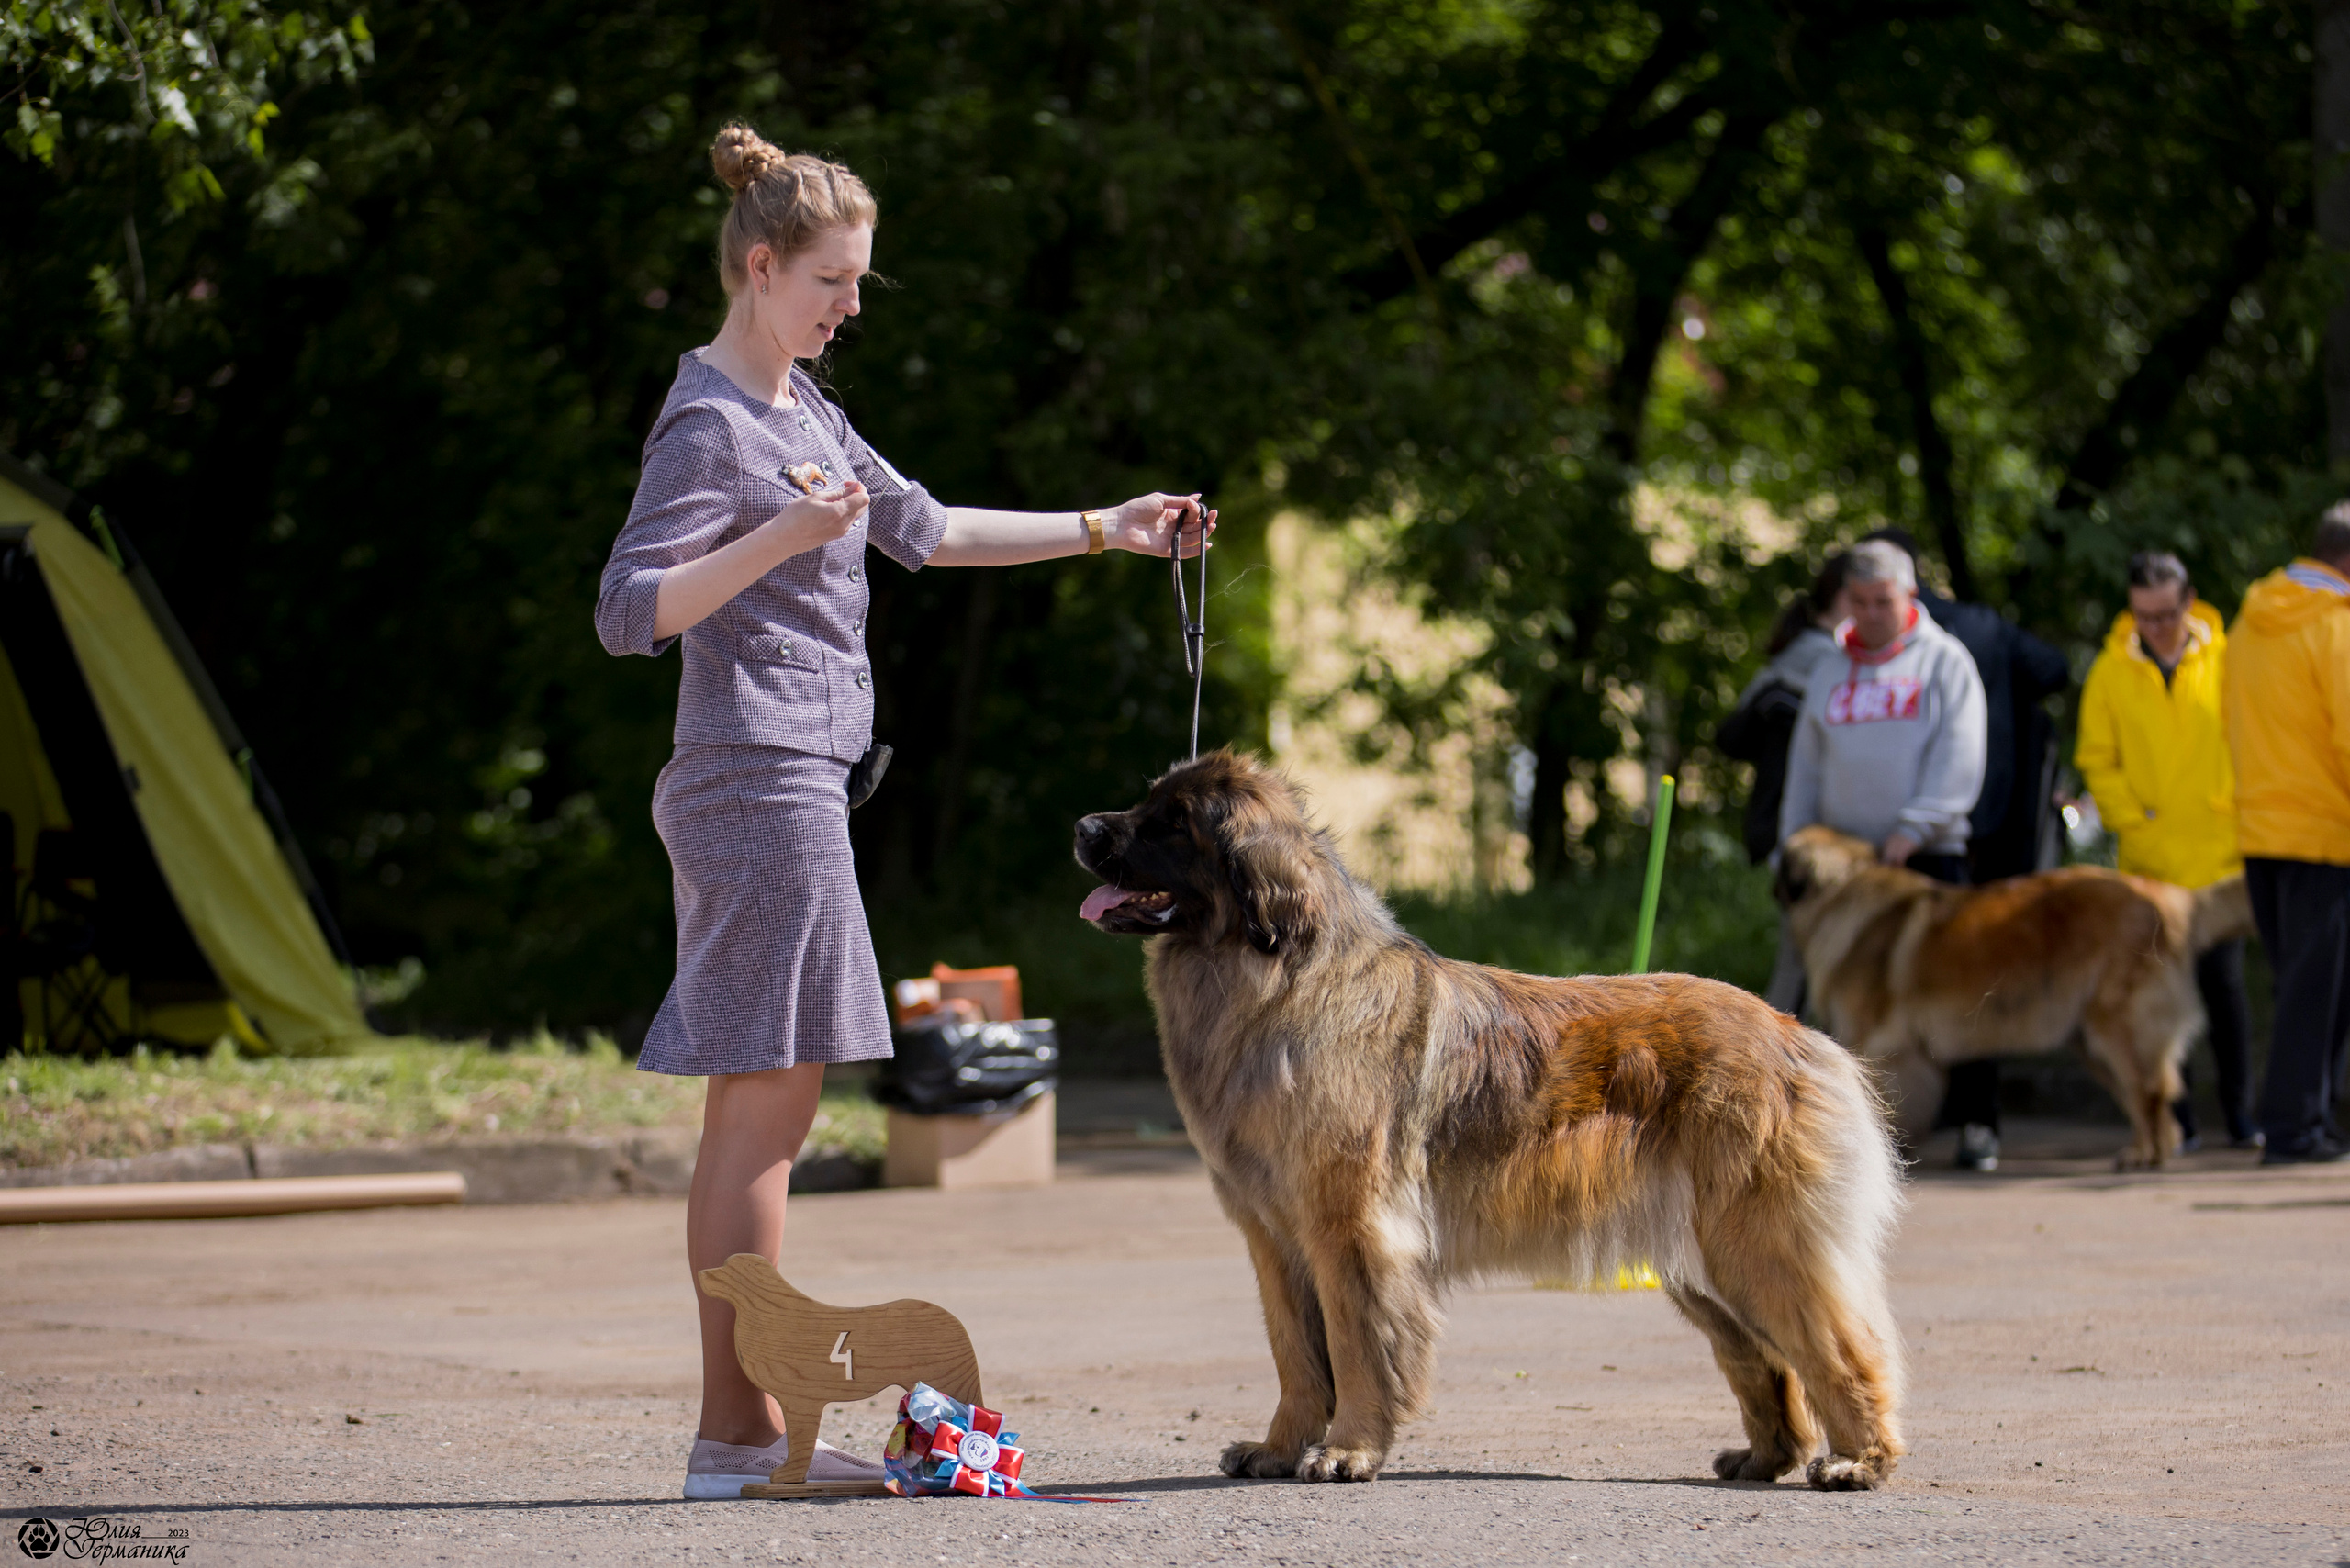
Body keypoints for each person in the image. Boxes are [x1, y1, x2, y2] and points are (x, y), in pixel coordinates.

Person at [594, 125, 1219, 1496]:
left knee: (761, 1116)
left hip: (789, 780)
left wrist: (1109, 528)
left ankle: (733, 1434)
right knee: (766, 1115)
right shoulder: (711, 421)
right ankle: (741, 1439)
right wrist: (777, 538)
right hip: (751, 780)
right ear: (760, 268)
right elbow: (627, 613)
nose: (852, 306)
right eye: (834, 280)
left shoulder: (806, 412)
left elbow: (925, 529)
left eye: (861, 281)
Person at [1859, 527, 2068, 1166]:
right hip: (1993, 830)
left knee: (1898, 981)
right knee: (1974, 980)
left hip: (1918, 840)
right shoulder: (1985, 627)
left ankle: (1927, 1117)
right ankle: (1979, 1120)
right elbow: (2054, 671)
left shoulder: (1899, 653)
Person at [1780, 539, 1990, 1165]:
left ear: (1911, 597)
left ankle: (1978, 1124)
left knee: (1956, 997)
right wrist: (1792, 845)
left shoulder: (1945, 662)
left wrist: (1916, 827)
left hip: (1923, 858)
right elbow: (1806, 768)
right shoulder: (1827, 670)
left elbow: (1961, 753)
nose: (1871, 613)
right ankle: (1864, 1132)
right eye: (1860, 601)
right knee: (1853, 1005)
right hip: (1841, 874)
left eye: (1883, 601)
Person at [2075, 551, 2257, 1151]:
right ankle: (2180, 1124)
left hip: (2217, 859)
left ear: (2188, 601)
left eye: (2165, 613)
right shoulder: (2110, 671)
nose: (2155, 626)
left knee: (2224, 992)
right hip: (2151, 868)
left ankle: (2242, 1115)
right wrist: (2134, 819)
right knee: (2162, 1005)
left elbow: (2255, 738)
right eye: (2142, 615)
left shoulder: (2230, 659)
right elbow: (2097, 759)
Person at [2223, 507, 2350, 1166]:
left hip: (2261, 829)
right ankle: (2295, 1128)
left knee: (2310, 982)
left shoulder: (2249, 622)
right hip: (2325, 830)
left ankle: (2308, 1119)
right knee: (2316, 987)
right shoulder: (2337, 627)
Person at [1719, 553, 1851, 1012]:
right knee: (1805, 956)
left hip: (1774, 821)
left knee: (1802, 950)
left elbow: (1731, 734)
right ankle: (1786, 1070)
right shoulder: (1829, 662)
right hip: (1800, 824)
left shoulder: (1780, 664)